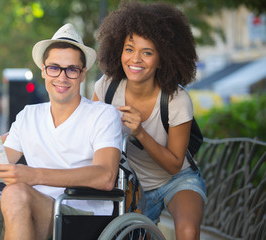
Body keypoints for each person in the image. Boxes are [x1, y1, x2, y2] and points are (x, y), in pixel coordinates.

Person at [0, 23, 122, 240]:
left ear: (83, 74)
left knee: (15, 191)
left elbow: (105, 176)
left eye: (72, 69)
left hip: (78, 217)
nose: (62, 77)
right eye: (54, 67)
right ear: (44, 71)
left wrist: (33, 175)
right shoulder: (29, 115)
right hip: (19, 211)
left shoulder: (103, 114)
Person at [93, 2, 207, 240]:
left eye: (147, 52)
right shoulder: (107, 87)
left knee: (187, 231)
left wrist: (141, 132)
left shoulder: (177, 100)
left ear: (162, 59)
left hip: (176, 180)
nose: (135, 59)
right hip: (130, 185)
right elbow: (88, 135)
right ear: (118, 50)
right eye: (129, 49)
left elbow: (175, 164)